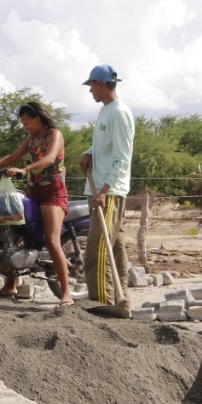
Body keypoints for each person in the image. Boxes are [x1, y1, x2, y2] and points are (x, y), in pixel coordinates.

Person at [0, 101, 74, 308]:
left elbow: (50, 159)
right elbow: (13, 157)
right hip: (33, 192)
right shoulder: (32, 138)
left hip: (53, 194)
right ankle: (10, 286)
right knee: (15, 235)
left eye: (27, 123)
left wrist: (25, 170)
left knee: (52, 241)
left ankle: (66, 293)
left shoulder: (54, 135)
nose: (25, 127)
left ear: (37, 119)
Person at [78, 64, 133, 315]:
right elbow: (105, 146)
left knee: (98, 251)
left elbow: (122, 157)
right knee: (116, 250)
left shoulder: (119, 113)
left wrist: (104, 190)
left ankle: (102, 304)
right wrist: (89, 152)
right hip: (101, 188)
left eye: (91, 86)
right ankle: (122, 303)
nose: (90, 91)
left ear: (100, 84)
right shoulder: (105, 111)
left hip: (108, 192)